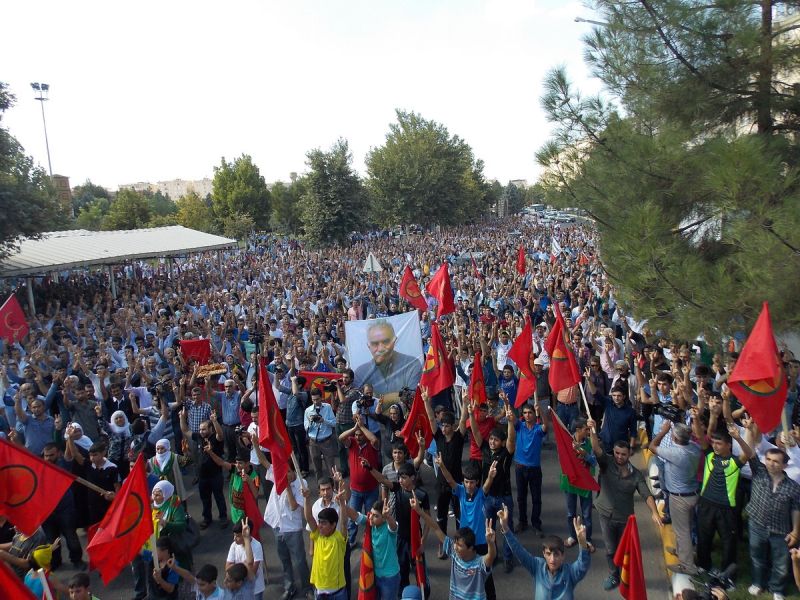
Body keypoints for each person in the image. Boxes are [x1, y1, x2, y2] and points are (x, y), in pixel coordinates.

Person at [587, 418, 662, 591]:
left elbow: (646, 494)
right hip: (605, 515)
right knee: (610, 548)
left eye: (623, 454)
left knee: (624, 549)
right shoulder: (606, 463)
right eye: (617, 453)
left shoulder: (636, 475)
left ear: (629, 455)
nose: (619, 457)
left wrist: (654, 512)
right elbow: (596, 449)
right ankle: (614, 575)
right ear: (613, 452)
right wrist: (593, 430)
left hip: (624, 520)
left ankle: (625, 575)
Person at [692, 418, 754, 579]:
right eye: (713, 443)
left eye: (719, 444)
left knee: (728, 542)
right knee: (704, 537)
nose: (715, 446)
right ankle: (703, 565)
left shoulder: (735, 462)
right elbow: (700, 436)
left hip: (726, 508)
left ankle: (727, 574)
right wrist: (695, 418)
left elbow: (749, 454)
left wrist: (739, 437)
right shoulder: (709, 455)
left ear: (728, 445)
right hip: (706, 504)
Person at [410, 493, 495, 600]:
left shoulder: (480, 564)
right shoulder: (454, 552)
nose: (455, 547)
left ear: (471, 548)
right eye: (455, 543)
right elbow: (436, 528)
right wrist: (419, 511)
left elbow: (491, 556)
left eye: (459, 545)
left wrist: (491, 543)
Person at [496, 504, 591, 600]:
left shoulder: (570, 573)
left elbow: (582, 565)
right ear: (544, 554)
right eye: (549, 554)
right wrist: (505, 528)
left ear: (563, 556)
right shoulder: (537, 566)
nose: (552, 559)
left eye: (556, 554)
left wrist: (582, 542)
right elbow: (519, 551)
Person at [745, 446, 800, 599]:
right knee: (757, 557)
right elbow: (750, 453)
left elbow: (796, 509)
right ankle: (758, 583)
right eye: (768, 459)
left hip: (780, 531)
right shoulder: (759, 472)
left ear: (784, 466)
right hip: (757, 525)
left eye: (776, 461)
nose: (770, 463)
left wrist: (795, 531)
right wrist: (737, 436)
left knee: (781, 564)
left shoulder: (793, 487)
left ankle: (777, 589)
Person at [649, 420, 701, 575]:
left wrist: (663, 431)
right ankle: (680, 551)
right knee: (686, 528)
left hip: (679, 498)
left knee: (682, 532)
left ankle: (687, 566)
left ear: (676, 438)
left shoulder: (676, 453)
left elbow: (652, 446)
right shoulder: (695, 448)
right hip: (692, 493)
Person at [180, 408, 227, 529]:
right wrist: (181, 418)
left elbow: (220, 435)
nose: (201, 431)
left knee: (219, 497)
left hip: (215, 475)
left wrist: (215, 421)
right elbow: (185, 430)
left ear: (210, 429)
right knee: (205, 499)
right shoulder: (198, 437)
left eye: (204, 429)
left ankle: (223, 518)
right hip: (202, 476)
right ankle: (207, 518)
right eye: (200, 429)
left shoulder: (215, 439)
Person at [338, 412, 381, 545]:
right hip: (355, 490)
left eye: (360, 435)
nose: (357, 437)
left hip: (371, 490)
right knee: (352, 519)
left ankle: (370, 541)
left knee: (371, 518)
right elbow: (340, 438)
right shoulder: (352, 444)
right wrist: (355, 427)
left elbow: (374, 439)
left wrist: (362, 427)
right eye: (356, 435)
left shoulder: (372, 445)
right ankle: (350, 541)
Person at [41, 443, 85, 571]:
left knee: (71, 537)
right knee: (51, 540)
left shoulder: (64, 465)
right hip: (47, 511)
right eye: (46, 455)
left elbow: (70, 453)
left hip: (65, 510)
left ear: (59, 454)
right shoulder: (38, 467)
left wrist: (69, 438)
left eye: (51, 455)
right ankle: (55, 561)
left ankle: (77, 560)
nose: (48, 458)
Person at [347, 499, 401, 600]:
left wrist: (388, 516)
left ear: (384, 518)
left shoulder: (389, 528)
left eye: (376, 516)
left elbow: (394, 527)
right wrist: (342, 503)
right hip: (374, 575)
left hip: (390, 578)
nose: (371, 517)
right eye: (371, 513)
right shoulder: (370, 524)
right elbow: (355, 516)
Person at [303, 480, 349, 600]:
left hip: (338, 592)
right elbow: (308, 518)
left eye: (323, 523)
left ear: (333, 525)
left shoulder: (339, 539)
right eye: (319, 522)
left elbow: (344, 522)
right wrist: (307, 498)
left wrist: (342, 503)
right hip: (319, 591)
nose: (319, 526)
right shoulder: (318, 535)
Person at [353, 320, 423, 396]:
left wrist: (377, 399)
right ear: (368, 346)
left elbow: (414, 397)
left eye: (386, 342)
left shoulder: (411, 365)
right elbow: (356, 401)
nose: (381, 348)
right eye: (375, 343)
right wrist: (398, 396)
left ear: (394, 341)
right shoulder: (360, 373)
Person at [560, 417, 596, 552]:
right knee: (571, 513)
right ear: (577, 430)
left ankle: (588, 539)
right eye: (586, 429)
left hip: (585, 482)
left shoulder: (590, 443)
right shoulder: (566, 442)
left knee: (586, 514)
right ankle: (572, 536)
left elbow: (593, 462)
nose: (588, 431)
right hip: (570, 482)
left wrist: (583, 453)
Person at [513, 401, 548, 537]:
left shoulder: (538, 429)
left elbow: (546, 426)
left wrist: (542, 412)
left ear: (535, 414)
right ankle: (522, 522)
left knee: (536, 498)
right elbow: (512, 418)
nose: (527, 415)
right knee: (521, 497)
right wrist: (505, 402)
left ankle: (536, 524)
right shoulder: (519, 426)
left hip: (534, 469)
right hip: (520, 467)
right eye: (525, 413)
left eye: (530, 413)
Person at [304, 387, 338, 481]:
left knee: (331, 467)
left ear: (321, 397)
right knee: (317, 468)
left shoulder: (327, 407)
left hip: (326, 441)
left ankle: (334, 488)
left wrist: (324, 420)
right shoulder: (308, 410)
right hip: (313, 442)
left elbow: (334, 423)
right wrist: (311, 422)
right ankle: (321, 489)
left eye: (317, 399)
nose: (315, 402)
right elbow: (306, 427)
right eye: (313, 399)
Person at [225, 519, 265, 600]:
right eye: (234, 535)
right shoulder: (234, 545)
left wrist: (237, 568)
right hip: (238, 587)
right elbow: (227, 567)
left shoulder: (257, 546)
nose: (234, 538)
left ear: (246, 534)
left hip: (256, 590)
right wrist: (244, 565)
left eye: (238, 536)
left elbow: (252, 572)